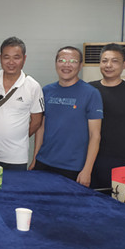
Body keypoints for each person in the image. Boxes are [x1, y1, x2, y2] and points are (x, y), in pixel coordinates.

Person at [30, 46, 103, 187]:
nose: (66, 65)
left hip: (73, 168)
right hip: (44, 162)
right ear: (55, 63)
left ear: (80, 66)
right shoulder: (46, 91)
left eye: (73, 61)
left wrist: (87, 170)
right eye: (62, 60)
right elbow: (41, 128)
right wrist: (35, 158)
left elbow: (95, 135)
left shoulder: (91, 93)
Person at [89, 43, 125, 188]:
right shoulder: (90, 89)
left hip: (121, 157)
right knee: (91, 196)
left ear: (124, 65)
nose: (108, 65)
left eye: (114, 61)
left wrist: (122, 136)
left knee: (120, 197)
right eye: (104, 61)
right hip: (90, 156)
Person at [0, 37, 44, 169]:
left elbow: (36, 121)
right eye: (6, 57)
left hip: (16, 157)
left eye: (16, 57)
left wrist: (17, 136)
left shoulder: (33, 86)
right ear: (0, 58)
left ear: (24, 59)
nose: (11, 62)